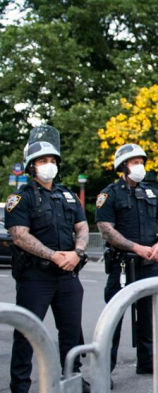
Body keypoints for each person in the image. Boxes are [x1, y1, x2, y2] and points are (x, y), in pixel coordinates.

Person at [5, 125, 90, 393]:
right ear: (32, 166)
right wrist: (54, 256)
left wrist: (76, 253)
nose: (49, 165)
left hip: (68, 274)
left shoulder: (68, 195)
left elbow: (83, 227)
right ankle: (20, 385)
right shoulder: (21, 198)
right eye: (43, 161)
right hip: (36, 277)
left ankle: (72, 377)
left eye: (52, 161)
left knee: (71, 331)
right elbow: (20, 236)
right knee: (27, 333)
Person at [96, 144, 158, 383]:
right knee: (114, 317)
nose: (140, 166)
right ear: (123, 166)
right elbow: (106, 230)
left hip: (149, 264)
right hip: (123, 264)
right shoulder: (109, 194)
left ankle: (147, 361)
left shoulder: (152, 193)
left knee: (148, 315)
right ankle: (103, 370)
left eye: (141, 162)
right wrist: (134, 247)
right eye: (134, 162)